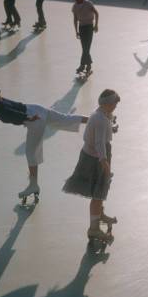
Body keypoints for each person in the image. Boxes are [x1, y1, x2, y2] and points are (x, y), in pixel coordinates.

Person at [0, 85, 88, 202]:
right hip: (37, 109)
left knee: (30, 153)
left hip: (34, 119)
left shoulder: (0, 109)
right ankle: (94, 118)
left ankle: (33, 185)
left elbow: (14, 113)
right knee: (65, 119)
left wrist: (29, 118)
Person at [63, 89, 121, 242]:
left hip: (94, 156)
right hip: (95, 160)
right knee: (97, 194)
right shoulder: (101, 120)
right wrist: (105, 164)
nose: (116, 106)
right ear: (108, 104)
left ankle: (99, 215)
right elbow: (99, 143)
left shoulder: (100, 114)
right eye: (115, 103)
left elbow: (102, 132)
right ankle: (94, 228)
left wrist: (112, 129)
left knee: (100, 192)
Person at [71, 0, 100, 75]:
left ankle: (82, 65)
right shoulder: (74, 6)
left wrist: (96, 25)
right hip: (82, 28)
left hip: (89, 27)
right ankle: (88, 65)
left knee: (86, 48)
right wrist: (76, 31)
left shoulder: (88, 3)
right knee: (85, 48)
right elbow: (75, 19)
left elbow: (96, 13)